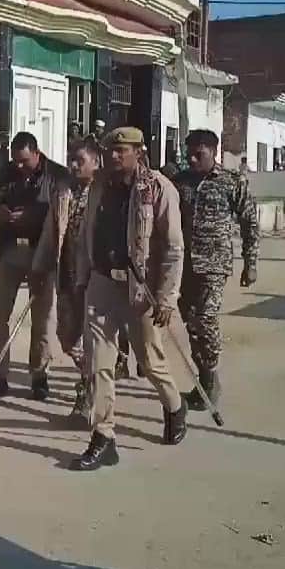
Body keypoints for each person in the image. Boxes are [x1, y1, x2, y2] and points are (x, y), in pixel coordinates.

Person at [68, 127, 187, 472]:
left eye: (122, 150)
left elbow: (174, 248)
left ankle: (175, 405)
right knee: (99, 363)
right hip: (103, 282)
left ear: (140, 151)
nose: (114, 156)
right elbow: (85, 233)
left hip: (141, 288)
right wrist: (82, 275)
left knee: (150, 360)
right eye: (111, 150)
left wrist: (167, 297)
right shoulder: (99, 187)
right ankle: (104, 436)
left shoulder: (159, 189)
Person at [171, 129, 258, 413]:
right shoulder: (179, 182)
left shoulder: (232, 182)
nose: (193, 159)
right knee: (191, 322)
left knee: (206, 319)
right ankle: (205, 375)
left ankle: (209, 377)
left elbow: (250, 223)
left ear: (214, 152)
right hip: (183, 266)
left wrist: (250, 262)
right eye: (190, 155)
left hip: (214, 265)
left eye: (200, 154)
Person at [0, 131, 72, 401]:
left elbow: (63, 214)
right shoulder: (8, 172)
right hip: (10, 249)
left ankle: (39, 375)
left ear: (36, 153)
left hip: (41, 252)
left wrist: (32, 216)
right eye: (15, 161)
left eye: (24, 161)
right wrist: (0, 214)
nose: (18, 166)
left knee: (43, 318)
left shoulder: (58, 175)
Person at [58, 138, 102, 419]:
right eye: (71, 160)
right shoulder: (64, 192)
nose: (73, 165)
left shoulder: (103, 194)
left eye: (80, 160)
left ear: (96, 163)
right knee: (67, 337)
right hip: (66, 273)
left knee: (91, 340)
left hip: (93, 277)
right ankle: (89, 375)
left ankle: (87, 395)